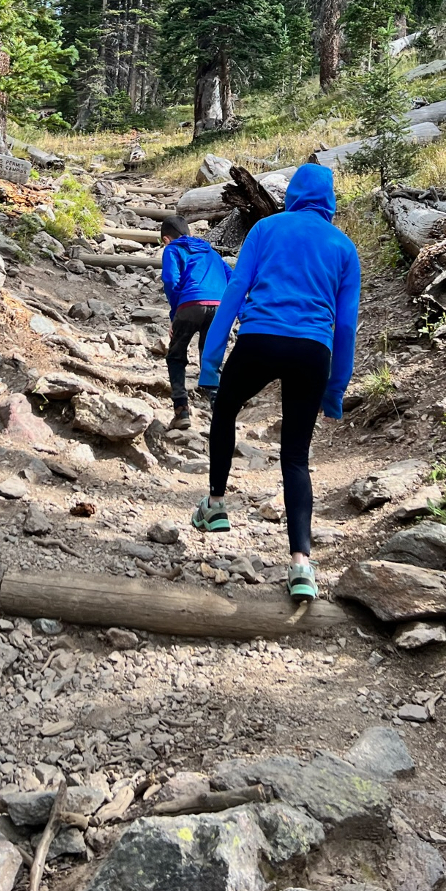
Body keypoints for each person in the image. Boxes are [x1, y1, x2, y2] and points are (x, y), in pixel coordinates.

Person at [193, 164, 360, 600]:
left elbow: (234, 293)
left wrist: (211, 361)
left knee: (225, 408)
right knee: (296, 458)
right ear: (330, 200)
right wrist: (335, 389)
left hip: (260, 340)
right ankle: (301, 566)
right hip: (313, 352)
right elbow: (346, 327)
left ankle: (215, 504)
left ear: (293, 196)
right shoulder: (344, 247)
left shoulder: (266, 229)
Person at [159, 215, 231, 431]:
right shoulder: (211, 252)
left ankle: (181, 410)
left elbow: (171, 280)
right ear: (190, 234)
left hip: (190, 304)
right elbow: (232, 277)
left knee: (176, 355)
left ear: (165, 239)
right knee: (210, 354)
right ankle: (219, 408)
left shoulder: (172, 249)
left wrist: (175, 312)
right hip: (219, 306)